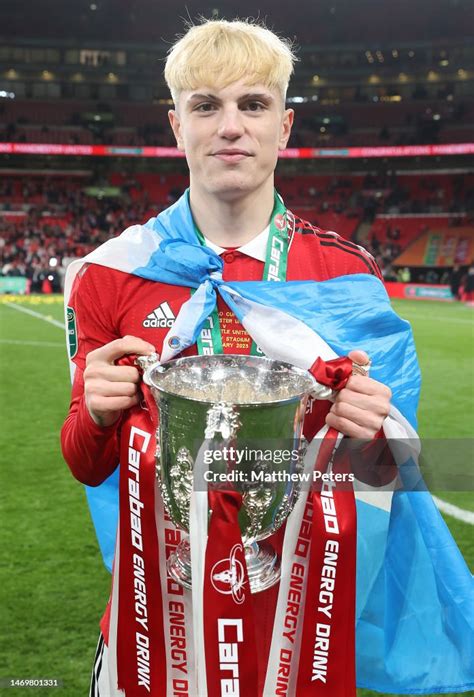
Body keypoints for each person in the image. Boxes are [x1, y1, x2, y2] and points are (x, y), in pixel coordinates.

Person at [61, 18, 473, 697]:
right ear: (176, 125)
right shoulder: (111, 273)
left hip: (296, 627)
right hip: (154, 623)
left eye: (253, 104)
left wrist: (374, 434)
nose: (230, 126)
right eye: (206, 105)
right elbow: (86, 461)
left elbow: (385, 478)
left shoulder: (348, 276)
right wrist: (99, 415)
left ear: (283, 126)